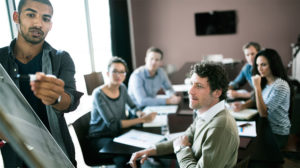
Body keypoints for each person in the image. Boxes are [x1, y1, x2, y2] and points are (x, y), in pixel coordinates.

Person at [0, 0, 82, 167]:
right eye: (31, 15)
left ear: (50, 25)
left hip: (58, 153)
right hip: (16, 157)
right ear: (16, 17)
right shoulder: (0, 60)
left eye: (45, 18)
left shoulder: (61, 58)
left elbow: (71, 100)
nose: (38, 23)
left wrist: (58, 98)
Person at [129, 62, 239, 168]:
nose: (190, 91)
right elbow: (186, 137)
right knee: (149, 161)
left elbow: (181, 143)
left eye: (199, 86)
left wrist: (181, 148)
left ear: (217, 92)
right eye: (191, 84)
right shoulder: (205, 113)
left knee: (147, 165)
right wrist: (152, 149)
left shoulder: (219, 127)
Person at [88, 57, 157, 167]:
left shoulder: (122, 88)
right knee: (124, 157)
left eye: (122, 72)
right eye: (115, 71)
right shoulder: (98, 93)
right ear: (107, 73)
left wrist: (140, 113)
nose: (118, 75)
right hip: (100, 138)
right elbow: (113, 124)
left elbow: (133, 106)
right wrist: (143, 119)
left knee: (135, 153)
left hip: (117, 134)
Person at [232, 48, 291, 148]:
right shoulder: (266, 81)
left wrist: (257, 87)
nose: (259, 69)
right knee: (232, 129)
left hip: (276, 133)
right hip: (263, 126)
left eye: (263, 65)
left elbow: (263, 113)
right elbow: (257, 101)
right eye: (258, 65)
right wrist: (243, 106)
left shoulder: (280, 86)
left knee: (242, 143)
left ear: (273, 64)